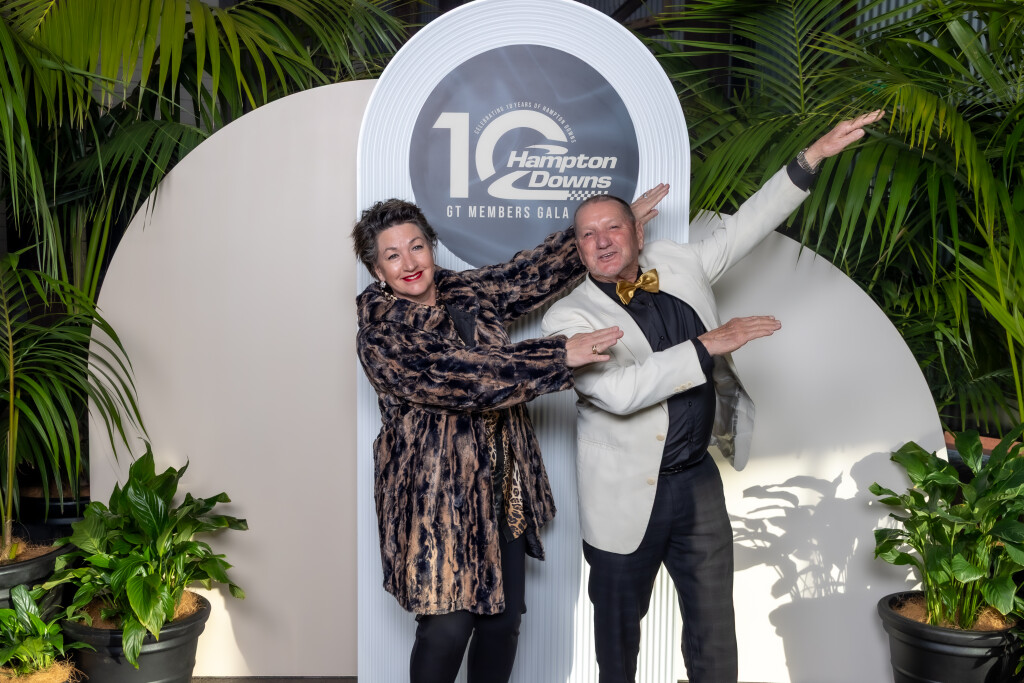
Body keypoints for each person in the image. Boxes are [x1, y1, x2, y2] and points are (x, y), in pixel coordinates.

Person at [540, 110, 886, 683]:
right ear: (577, 249)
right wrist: (705, 345)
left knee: (714, 631)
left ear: (638, 232)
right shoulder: (568, 318)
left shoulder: (679, 263)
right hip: (624, 494)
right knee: (617, 645)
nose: (602, 242)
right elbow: (620, 392)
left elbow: (749, 224)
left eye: (614, 228)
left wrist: (812, 157)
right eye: (588, 235)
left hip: (697, 480)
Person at [352, 188, 664, 683]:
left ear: (431, 247)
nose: (409, 263)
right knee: (448, 628)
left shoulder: (465, 292)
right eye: (392, 256)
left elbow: (525, 276)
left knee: (502, 623)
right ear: (377, 271)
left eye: (416, 246)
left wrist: (600, 233)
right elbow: (464, 376)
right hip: (436, 502)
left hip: (503, 488)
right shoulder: (381, 335)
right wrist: (557, 355)